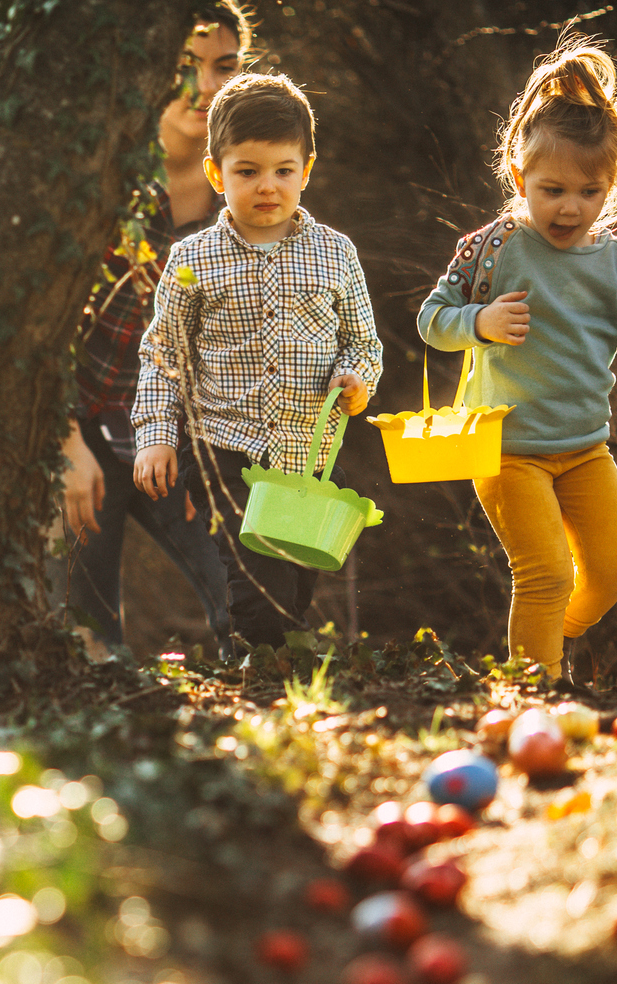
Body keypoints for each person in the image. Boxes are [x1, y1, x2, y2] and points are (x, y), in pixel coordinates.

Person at [416, 39, 617, 680]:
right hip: (504, 447)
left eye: (589, 191)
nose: (569, 207)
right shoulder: (493, 249)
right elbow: (432, 323)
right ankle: (536, 693)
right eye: (552, 189)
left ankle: (539, 647)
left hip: (584, 448)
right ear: (519, 175)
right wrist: (480, 322)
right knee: (547, 572)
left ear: (610, 189)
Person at [131, 73, 383, 654]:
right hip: (227, 450)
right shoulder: (192, 259)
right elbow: (163, 352)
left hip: (307, 454)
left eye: (282, 171)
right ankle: (257, 686)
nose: (266, 186)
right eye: (247, 171)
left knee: (292, 587)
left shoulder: (335, 253)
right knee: (257, 586)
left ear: (306, 171)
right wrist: (155, 437)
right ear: (217, 174)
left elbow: (363, 343)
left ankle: (259, 665)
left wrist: (356, 380)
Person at [62, 4, 249, 663]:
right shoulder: (100, 179)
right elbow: (38, 336)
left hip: (168, 443)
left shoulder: (249, 199)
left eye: (223, 68)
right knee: (83, 639)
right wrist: (63, 447)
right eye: (184, 68)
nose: (204, 88)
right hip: (79, 434)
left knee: (248, 600)